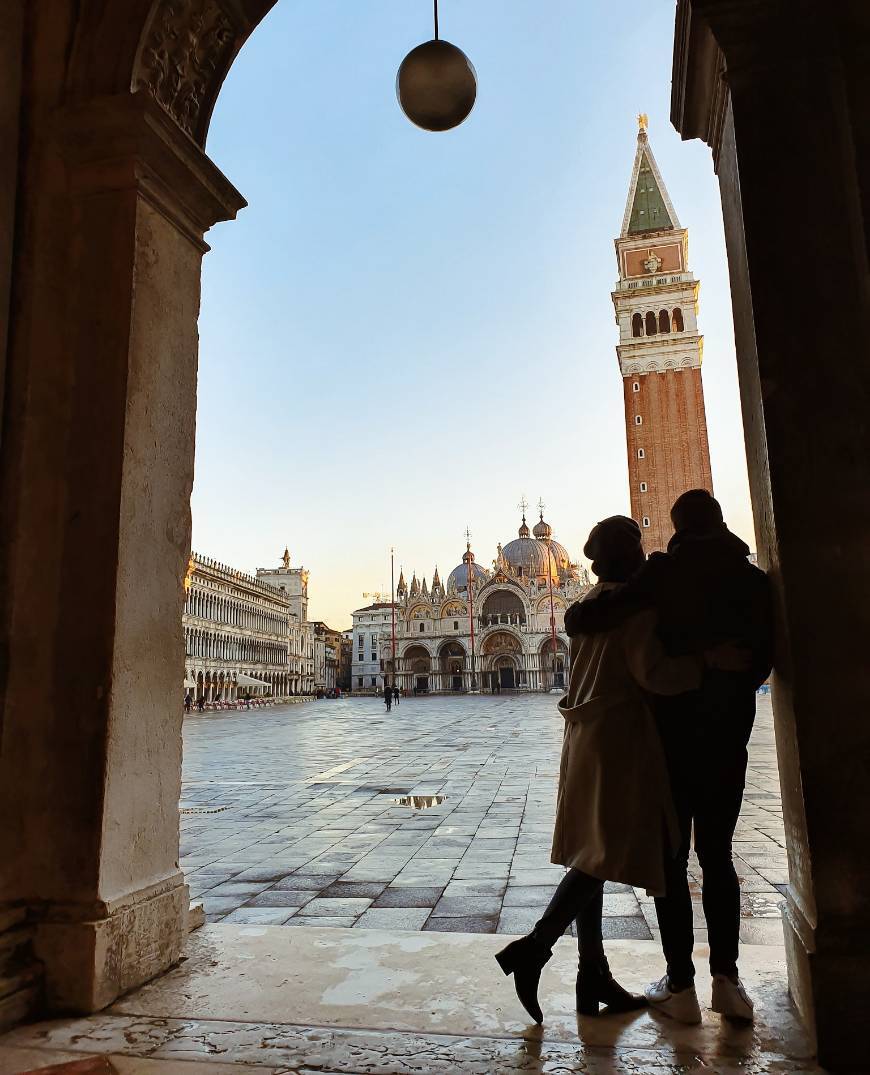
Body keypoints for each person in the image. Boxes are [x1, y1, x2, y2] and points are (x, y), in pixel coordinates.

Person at [495, 516, 730, 1024]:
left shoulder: (586, 608)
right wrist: (708, 663)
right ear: (632, 557)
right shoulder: (633, 611)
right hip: (620, 741)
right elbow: (657, 675)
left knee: (591, 848)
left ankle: (592, 972)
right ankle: (534, 948)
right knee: (600, 857)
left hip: (582, 737)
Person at [565, 490, 772, 1024]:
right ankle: (727, 980)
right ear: (724, 522)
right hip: (728, 737)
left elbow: (603, 606)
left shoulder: (663, 576)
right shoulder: (754, 582)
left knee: (671, 862)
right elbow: (760, 666)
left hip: (669, 741)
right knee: (719, 856)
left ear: (675, 529)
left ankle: (681, 985)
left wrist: (575, 614)